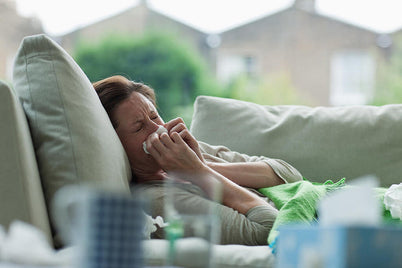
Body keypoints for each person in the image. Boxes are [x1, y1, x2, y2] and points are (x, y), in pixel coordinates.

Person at [93, 75, 303, 245]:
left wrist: (201, 165)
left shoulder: (189, 152)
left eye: (155, 116)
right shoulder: (159, 200)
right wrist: (198, 174)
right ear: (117, 145)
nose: (157, 129)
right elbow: (271, 230)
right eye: (139, 127)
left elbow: (290, 175)